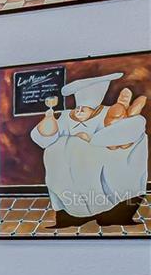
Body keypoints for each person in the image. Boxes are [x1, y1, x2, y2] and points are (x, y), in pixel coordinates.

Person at [30, 73, 148, 228]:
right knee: (60, 149)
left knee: (78, 148)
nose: (78, 112)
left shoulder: (109, 113)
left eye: (83, 109)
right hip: (69, 171)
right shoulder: (66, 117)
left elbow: (132, 130)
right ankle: (72, 213)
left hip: (105, 165)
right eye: (77, 108)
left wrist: (90, 140)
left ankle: (111, 213)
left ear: (96, 109)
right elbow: (44, 139)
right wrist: (49, 121)